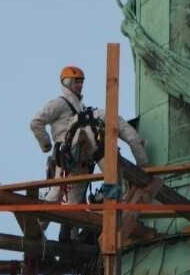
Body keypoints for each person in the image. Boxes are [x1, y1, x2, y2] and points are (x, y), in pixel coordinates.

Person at [30, 65, 149, 237]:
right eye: (76, 82)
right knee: (56, 194)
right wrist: (45, 144)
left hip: (83, 162)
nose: (80, 85)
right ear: (67, 83)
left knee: (74, 205)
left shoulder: (84, 111)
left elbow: (127, 133)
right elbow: (36, 122)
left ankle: (67, 244)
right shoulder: (60, 104)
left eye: (81, 82)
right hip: (67, 157)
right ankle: (36, 233)